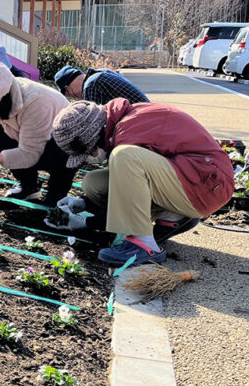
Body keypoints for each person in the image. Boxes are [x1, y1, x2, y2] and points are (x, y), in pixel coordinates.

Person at [47, 98, 233, 266]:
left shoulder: (128, 133)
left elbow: (128, 201)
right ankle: (174, 215)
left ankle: (143, 244)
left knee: (124, 157)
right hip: (193, 177)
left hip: (207, 185)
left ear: (95, 135)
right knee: (93, 183)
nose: (89, 158)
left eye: (88, 153)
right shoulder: (122, 123)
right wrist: (82, 203)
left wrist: (84, 223)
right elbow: (131, 193)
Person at [0, 59, 75, 204]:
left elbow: (30, 154)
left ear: (0, 93)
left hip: (61, 146)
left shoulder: (36, 101)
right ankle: (28, 186)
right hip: (28, 144)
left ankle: (57, 193)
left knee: (54, 198)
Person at [53, 64, 149, 105]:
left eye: (72, 95)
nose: (78, 98)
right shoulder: (101, 72)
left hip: (142, 121)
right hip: (150, 113)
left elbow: (95, 124)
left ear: (68, 89)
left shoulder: (90, 86)